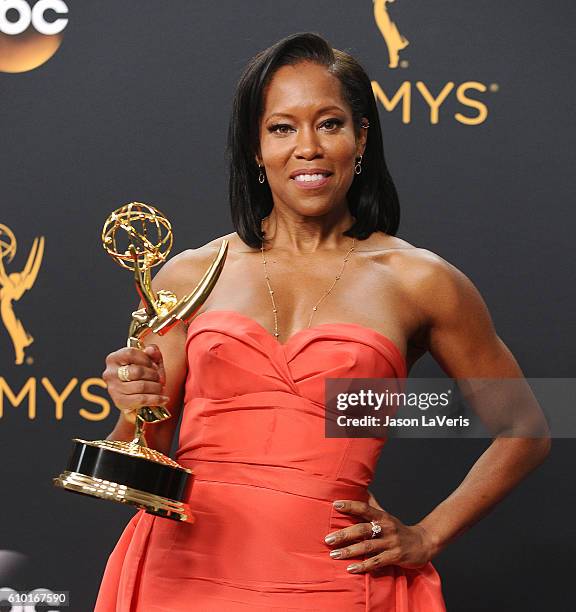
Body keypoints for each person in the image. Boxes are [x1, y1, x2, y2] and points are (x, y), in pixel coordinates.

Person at [94, 32, 550, 611]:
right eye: (281, 128)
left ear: (361, 138)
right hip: (180, 576)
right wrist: (134, 408)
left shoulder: (418, 280)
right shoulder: (188, 276)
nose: (307, 147)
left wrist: (428, 534)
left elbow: (528, 428)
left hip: (331, 581)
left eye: (329, 124)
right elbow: (144, 454)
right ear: (255, 149)